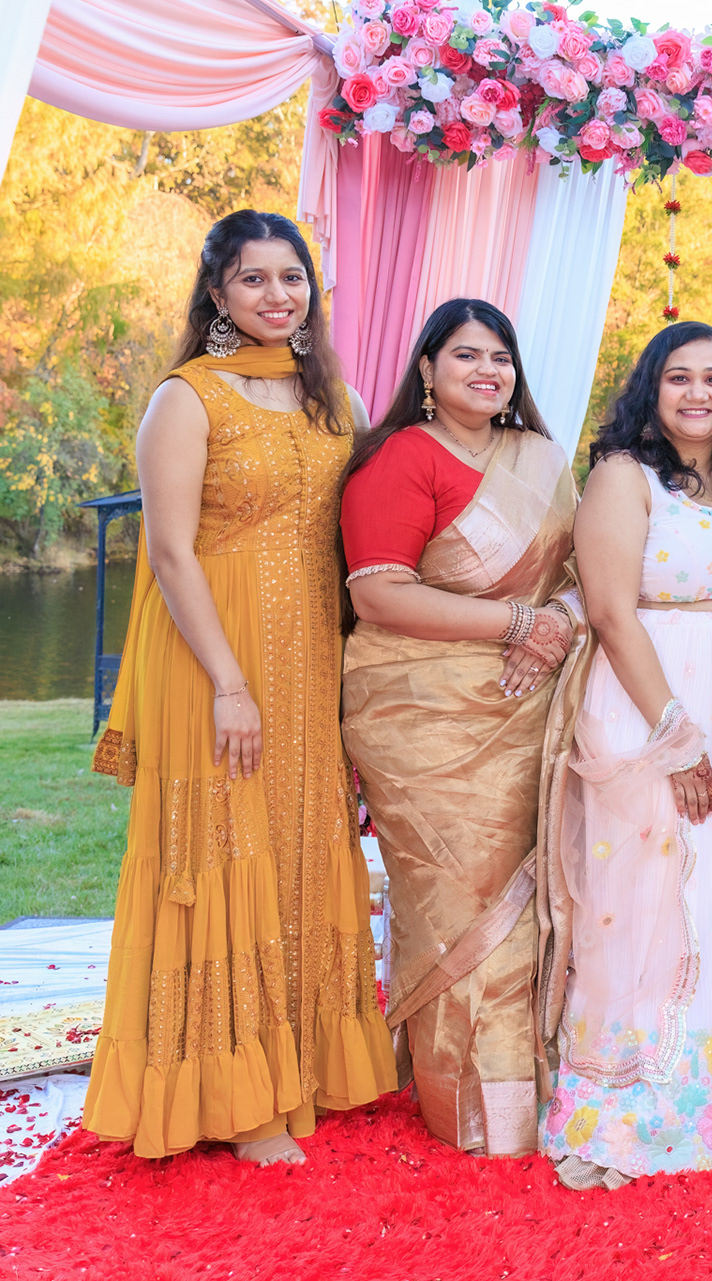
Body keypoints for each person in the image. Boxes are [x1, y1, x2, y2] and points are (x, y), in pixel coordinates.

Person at [83, 210, 395, 1165]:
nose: (276, 295)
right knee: (225, 846)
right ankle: (233, 1094)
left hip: (309, 658)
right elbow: (170, 552)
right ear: (218, 294)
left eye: (291, 276)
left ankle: (299, 1061)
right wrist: (227, 680)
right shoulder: (186, 398)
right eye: (253, 279)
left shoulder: (332, 398)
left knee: (300, 840)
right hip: (212, 658)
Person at [536, 321, 712, 1190]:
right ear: (651, 387)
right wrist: (676, 734)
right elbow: (612, 612)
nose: (697, 393)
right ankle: (632, 1099)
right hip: (650, 705)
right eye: (679, 376)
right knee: (642, 896)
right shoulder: (624, 476)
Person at [338, 298, 578, 1159]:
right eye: (467, 355)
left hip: (529, 700)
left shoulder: (542, 458)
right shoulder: (400, 457)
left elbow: (583, 570)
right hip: (421, 716)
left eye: (500, 357)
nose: (488, 371)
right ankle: (469, 1108)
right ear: (428, 370)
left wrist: (558, 622)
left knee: (534, 900)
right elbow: (378, 593)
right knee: (455, 899)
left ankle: (535, 1087)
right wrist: (519, 623)